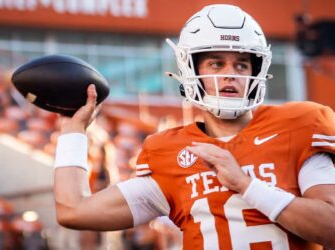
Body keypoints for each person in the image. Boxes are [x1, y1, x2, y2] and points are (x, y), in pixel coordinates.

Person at [53, 4, 335, 250]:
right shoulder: (170, 153)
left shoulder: (298, 126)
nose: (230, 75)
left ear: (256, 70)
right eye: (216, 64)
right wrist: (73, 131)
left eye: (241, 65)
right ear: (191, 71)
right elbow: (74, 211)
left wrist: (246, 184)